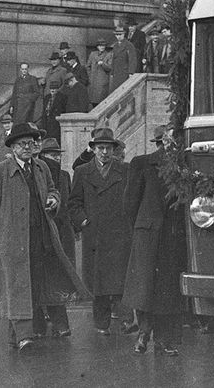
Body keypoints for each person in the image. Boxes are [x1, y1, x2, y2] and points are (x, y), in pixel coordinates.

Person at [0, 123, 87, 350]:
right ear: (13, 148)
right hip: (12, 241)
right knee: (17, 286)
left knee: (37, 283)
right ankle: (23, 336)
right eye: (23, 144)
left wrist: (53, 200)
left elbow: (53, 190)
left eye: (31, 143)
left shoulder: (41, 168)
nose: (28, 147)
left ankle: (24, 333)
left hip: (41, 237)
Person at [122, 126, 188, 356]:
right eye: (167, 143)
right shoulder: (141, 164)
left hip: (172, 236)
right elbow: (130, 203)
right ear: (160, 143)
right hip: (148, 235)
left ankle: (164, 339)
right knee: (144, 287)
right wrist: (142, 228)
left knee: (167, 290)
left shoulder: (183, 166)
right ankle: (143, 332)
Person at [69, 127, 132, 335]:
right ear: (93, 149)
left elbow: (132, 199)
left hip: (119, 233)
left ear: (114, 150)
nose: (105, 152)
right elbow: (74, 203)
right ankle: (101, 323)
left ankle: (126, 320)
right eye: (100, 148)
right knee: (98, 283)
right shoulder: (82, 172)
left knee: (121, 279)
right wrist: (84, 221)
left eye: (108, 148)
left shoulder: (125, 171)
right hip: (94, 235)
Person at [37, 137, 78, 337]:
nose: (56, 159)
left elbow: (68, 203)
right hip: (45, 234)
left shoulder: (64, 175)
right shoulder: (39, 173)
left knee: (57, 281)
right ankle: (53, 323)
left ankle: (59, 324)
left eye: (57, 155)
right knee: (47, 280)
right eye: (51, 155)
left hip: (62, 232)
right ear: (42, 157)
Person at [110, 26, 139, 93]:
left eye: (120, 34)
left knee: (123, 90)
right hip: (116, 72)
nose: (118, 36)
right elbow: (113, 60)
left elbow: (132, 59)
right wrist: (112, 72)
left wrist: (131, 72)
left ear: (123, 34)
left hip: (125, 72)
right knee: (116, 90)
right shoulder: (115, 46)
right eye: (117, 35)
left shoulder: (129, 45)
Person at [87, 39, 113, 106]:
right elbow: (88, 66)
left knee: (101, 101)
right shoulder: (93, 54)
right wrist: (90, 75)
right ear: (97, 47)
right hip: (93, 81)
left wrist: (103, 64)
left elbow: (110, 67)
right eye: (100, 45)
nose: (102, 47)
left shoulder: (108, 55)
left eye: (103, 45)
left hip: (102, 81)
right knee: (93, 101)